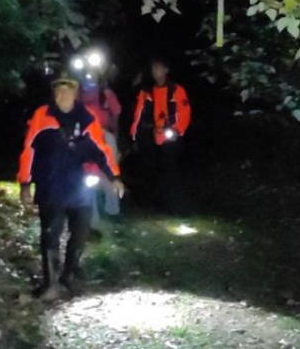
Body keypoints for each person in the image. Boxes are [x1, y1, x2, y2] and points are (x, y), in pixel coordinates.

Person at [18, 73, 123, 300]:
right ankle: (50, 283)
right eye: (59, 90)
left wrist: (113, 176)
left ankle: (68, 278)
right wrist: (25, 182)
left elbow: (101, 149)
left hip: (77, 184)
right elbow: (29, 150)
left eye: (67, 90)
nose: (62, 94)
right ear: (54, 93)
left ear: (75, 93)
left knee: (81, 232)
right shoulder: (42, 116)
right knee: (50, 234)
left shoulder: (86, 118)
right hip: (50, 183)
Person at [130, 56, 191, 212]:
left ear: (166, 70)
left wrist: (177, 130)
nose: (156, 72)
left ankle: (171, 204)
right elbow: (138, 114)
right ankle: (151, 203)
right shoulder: (146, 92)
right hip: (150, 135)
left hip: (170, 136)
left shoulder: (176, 90)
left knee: (170, 169)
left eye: (159, 68)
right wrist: (134, 134)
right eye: (153, 69)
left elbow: (184, 113)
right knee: (149, 169)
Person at [80, 74, 123, 230]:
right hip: (84, 137)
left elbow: (116, 114)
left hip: (104, 135)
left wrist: (116, 139)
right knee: (87, 176)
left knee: (110, 172)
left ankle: (113, 210)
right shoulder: (77, 94)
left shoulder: (106, 94)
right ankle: (92, 219)